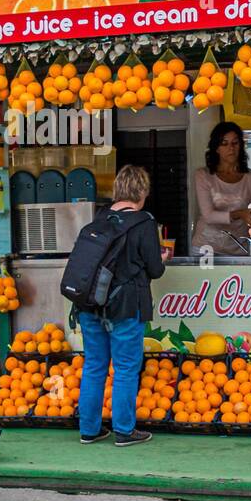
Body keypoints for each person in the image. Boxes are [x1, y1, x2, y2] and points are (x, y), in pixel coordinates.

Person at [74, 165, 167, 447]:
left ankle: (89, 430)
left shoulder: (98, 220)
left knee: (94, 365)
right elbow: (155, 269)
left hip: (90, 304)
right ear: (142, 192)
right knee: (126, 368)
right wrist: (162, 257)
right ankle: (124, 430)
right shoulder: (144, 223)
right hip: (125, 306)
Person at [192, 122, 251, 256]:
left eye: (235, 143)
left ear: (241, 146)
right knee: (206, 278)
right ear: (216, 148)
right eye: (225, 143)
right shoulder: (203, 175)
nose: (231, 148)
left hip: (239, 249)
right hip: (205, 248)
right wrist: (239, 214)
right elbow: (208, 216)